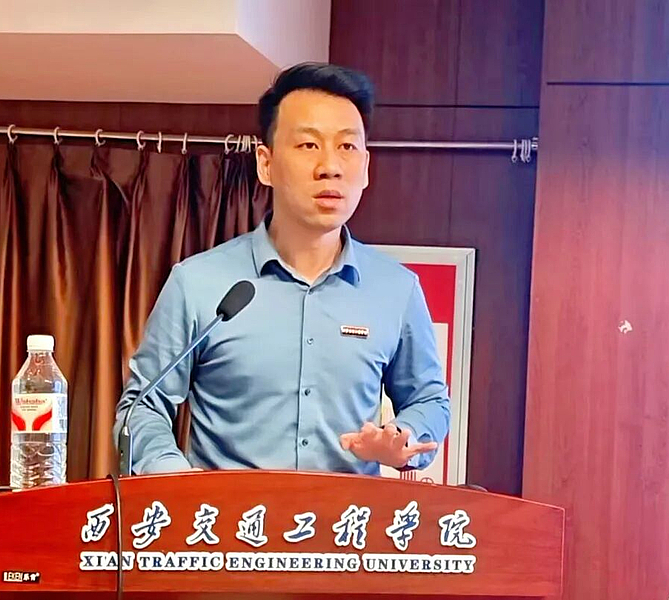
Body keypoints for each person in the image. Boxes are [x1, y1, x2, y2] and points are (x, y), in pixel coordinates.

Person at [114, 62, 450, 475]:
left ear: (365, 167)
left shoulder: (396, 289)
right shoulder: (198, 283)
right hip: (227, 514)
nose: (330, 166)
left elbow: (429, 400)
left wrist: (402, 436)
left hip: (346, 515)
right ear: (266, 163)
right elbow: (142, 406)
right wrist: (175, 476)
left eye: (347, 147)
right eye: (309, 145)